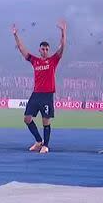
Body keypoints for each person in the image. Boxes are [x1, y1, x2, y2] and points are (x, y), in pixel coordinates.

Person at [13, 20, 66, 154]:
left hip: (47, 95)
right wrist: (15, 35)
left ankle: (46, 145)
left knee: (45, 121)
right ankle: (38, 141)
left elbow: (62, 46)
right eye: (43, 49)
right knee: (27, 118)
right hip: (36, 94)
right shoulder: (35, 60)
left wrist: (63, 32)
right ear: (39, 50)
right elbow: (21, 48)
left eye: (47, 49)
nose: (45, 51)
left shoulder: (53, 60)